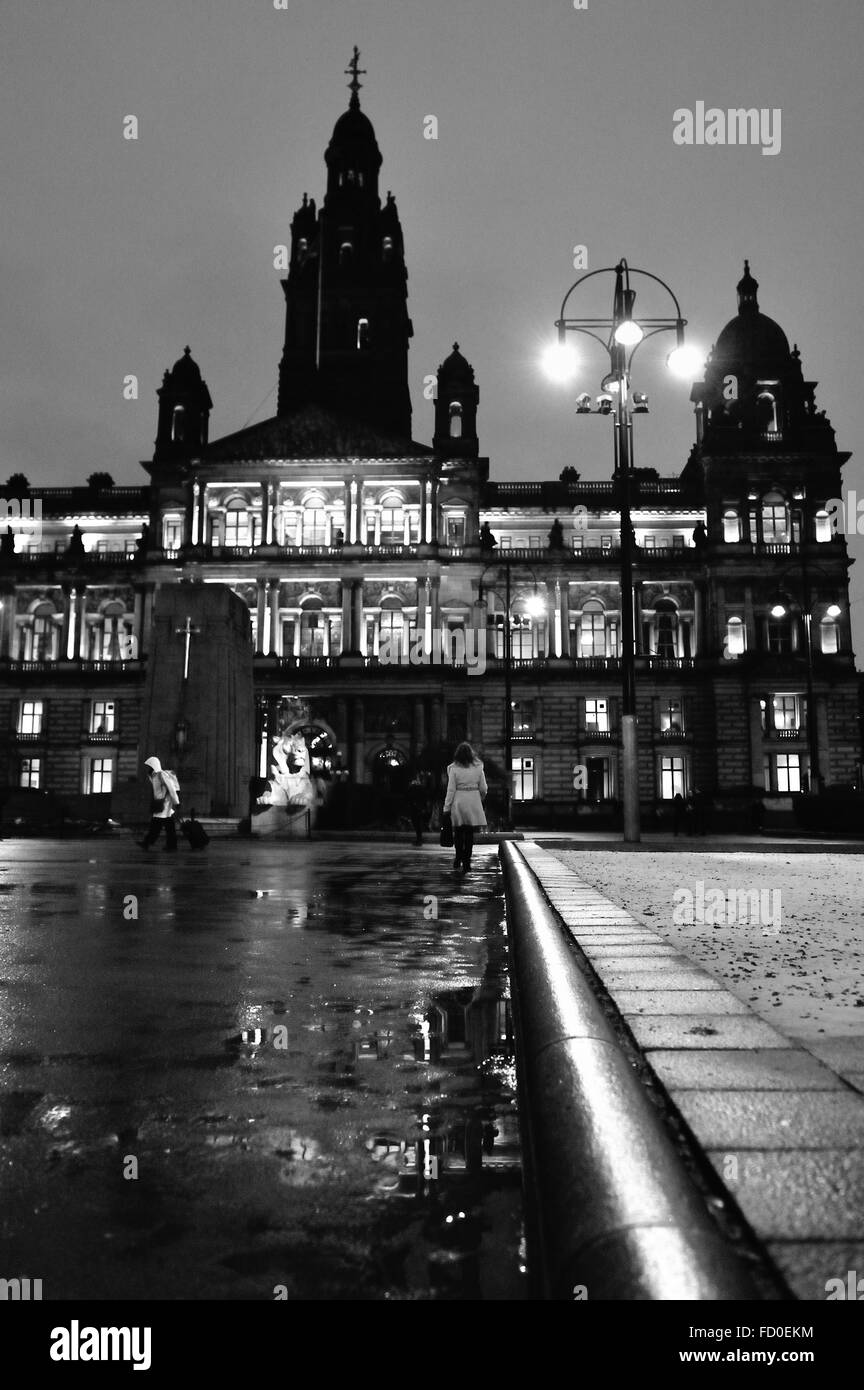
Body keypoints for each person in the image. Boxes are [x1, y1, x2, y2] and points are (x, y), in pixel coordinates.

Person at [443, 742, 487, 874]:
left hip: (458, 801)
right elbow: (484, 788)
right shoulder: (479, 767)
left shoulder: (453, 768)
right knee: (469, 834)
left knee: (458, 832)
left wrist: (446, 807)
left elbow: (450, 790)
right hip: (473, 800)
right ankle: (467, 861)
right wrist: (480, 798)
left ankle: (458, 857)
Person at [138, 755, 180, 851]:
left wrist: (176, 802)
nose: (149, 768)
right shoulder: (154, 775)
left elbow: (171, 789)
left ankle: (147, 843)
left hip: (164, 804)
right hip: (161, 804)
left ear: (154, 766)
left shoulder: (162, 775)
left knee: (156, 825)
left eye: (150, 766)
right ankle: (171, 845)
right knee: (168, 827)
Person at [406, 773, 429, 847]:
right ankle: (419, 839)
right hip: (418, 807)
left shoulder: (413, 788)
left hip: (415, 808)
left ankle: (419, 840)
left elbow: (409, 797)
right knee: (418, 824)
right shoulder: (420, 788)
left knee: (416, 824)